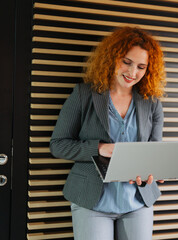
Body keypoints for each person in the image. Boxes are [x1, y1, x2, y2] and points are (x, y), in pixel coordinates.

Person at [50, 26, 166, 240]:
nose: (133, 73)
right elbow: (58, 144)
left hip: (137, 202)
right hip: (92, 201)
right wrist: (100, 148)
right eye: (127, 62)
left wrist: (153, 173)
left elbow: (153, 152)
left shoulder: (152, 104)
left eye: (141, 67)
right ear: (113, 57)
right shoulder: (83, 95)